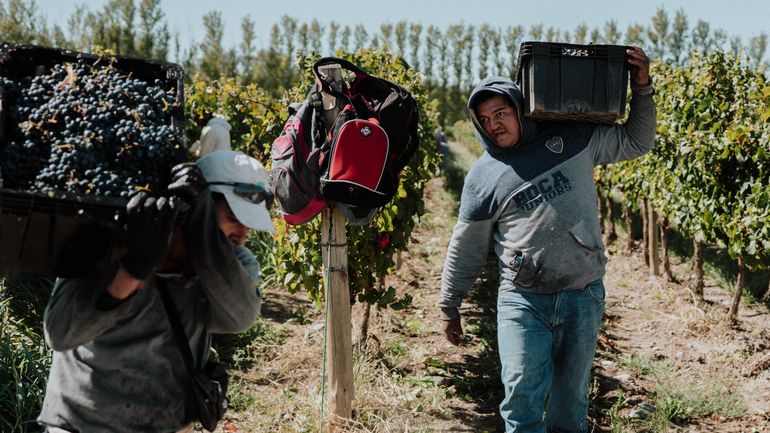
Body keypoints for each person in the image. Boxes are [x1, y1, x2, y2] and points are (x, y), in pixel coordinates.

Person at [437, 46, 655, 432]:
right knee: (521, 399)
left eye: (500, 113)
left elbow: (637, 142)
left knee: (570, 405)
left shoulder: (574, 140)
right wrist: (450, 304)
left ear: (520, 110)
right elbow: (466, 245)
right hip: (523, 299)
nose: (494, 125)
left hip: (582, 293)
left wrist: (642, 87)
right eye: (485, 120)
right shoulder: (483, 177)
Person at [37, 150, 275, 433]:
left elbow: (241, 317)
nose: (243, 233)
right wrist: (134, 269)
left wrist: (202, 232)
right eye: (235, 217)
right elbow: (61, 333)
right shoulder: (106, 241)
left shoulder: (233, 263)